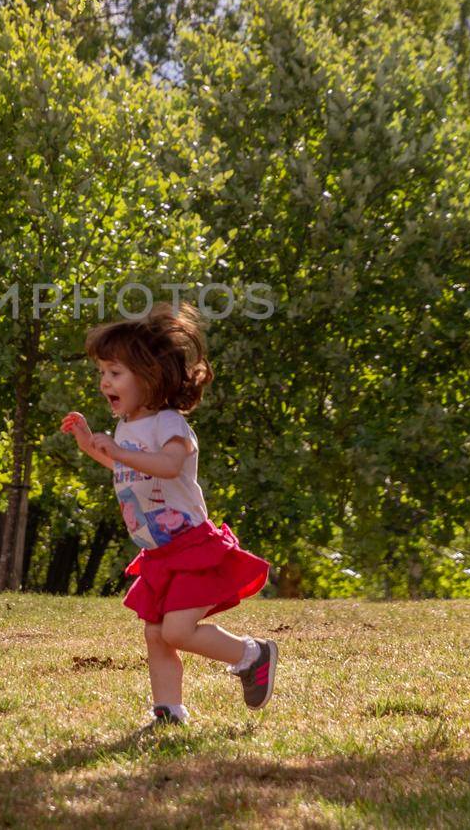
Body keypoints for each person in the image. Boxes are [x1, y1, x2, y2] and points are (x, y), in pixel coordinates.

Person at [61, 303, 276, 726]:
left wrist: (119, 449)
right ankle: (168, 711)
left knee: (176, 631)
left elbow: (169, 466)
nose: (105, 381)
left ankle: (253, 654)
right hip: (158, 553)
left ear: (149, 376)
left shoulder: (169, 424)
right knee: (156, 635)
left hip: (191, 545)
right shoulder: (127, 427)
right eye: (102, 372)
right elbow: (128, 468)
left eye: (115, 372)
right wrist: (92, 445)